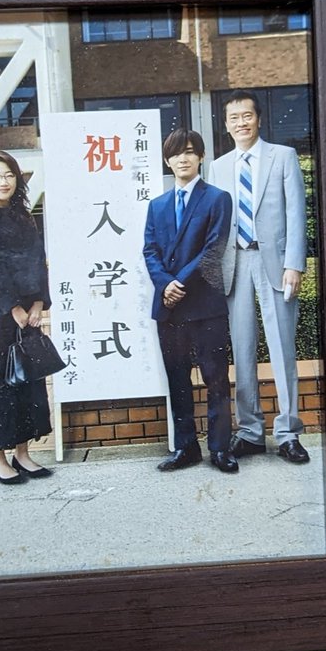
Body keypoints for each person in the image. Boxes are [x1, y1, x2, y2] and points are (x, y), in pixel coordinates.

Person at [206, 91, 311, 464]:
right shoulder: (218, 167)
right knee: (243, 349)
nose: (241, 123)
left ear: (259, 119)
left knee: (282, 349)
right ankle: (250, 432)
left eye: (247, 116)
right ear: (226, 124)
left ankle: (288, 433)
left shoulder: (282, 156)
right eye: (234, 118)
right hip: (235, 265)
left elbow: (296, 212)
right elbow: (216, 225)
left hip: (275, 264)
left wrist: (294, 264)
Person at [143, 128, 238, 474]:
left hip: (205, 305)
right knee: (178, 380)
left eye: (189, 152)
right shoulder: (157, 205)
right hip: (169, 309)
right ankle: (186, 448)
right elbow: (149, 250)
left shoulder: (217, 198)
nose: (182, 159)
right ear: (167, 161)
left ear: (200, 156)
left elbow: (213, 250)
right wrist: (165, 284)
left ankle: (220, 449)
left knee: (216, 380)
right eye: (175, 154)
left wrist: (178, 283)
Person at [0, 150, 55, 484]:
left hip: (27, 315)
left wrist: (37, 304)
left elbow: (37, 261)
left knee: (26, 382)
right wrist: (15, 308)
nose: (2, 182)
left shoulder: (24, 218)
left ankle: (23, 454)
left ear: (16, 179)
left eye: (8, 175)